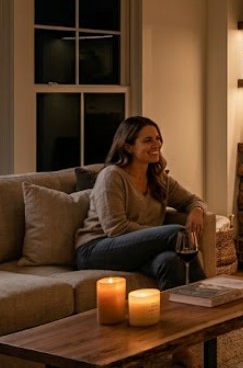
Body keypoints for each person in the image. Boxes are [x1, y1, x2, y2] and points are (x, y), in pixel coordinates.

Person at [75, 115, 206, 368]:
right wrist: (156, 236)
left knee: (170, 261)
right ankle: (209, 299)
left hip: (135, 249)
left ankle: (178, 345)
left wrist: (197, 211)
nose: (156, 144)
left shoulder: (158, 178)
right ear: (128, 146)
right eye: (147, 140)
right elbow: (115, 228)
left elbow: (193, 200)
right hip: (97, 248)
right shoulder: (112, 176)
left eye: (157, 138)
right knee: (175, 233)